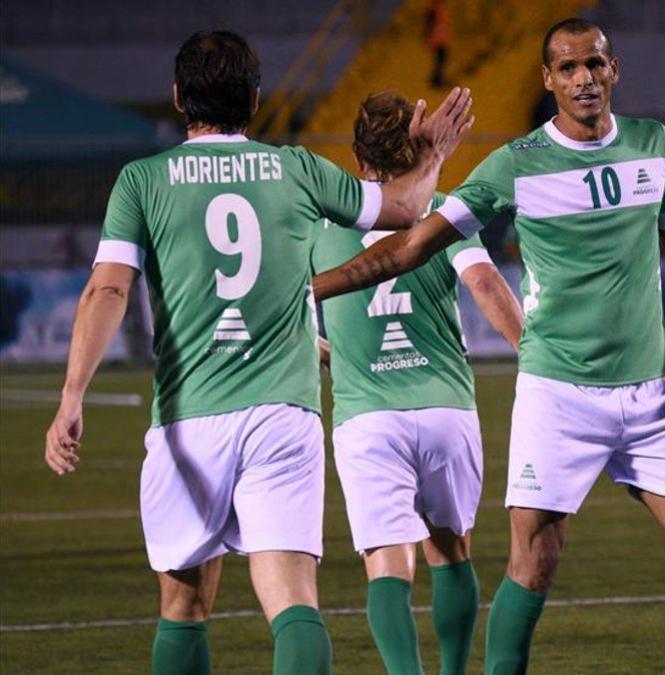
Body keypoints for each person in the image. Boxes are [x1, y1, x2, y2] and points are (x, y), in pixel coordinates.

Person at [310, 17, 665, 675]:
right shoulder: (515, 164)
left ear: (613, 69)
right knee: (533, 563)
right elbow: (413, 243)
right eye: (567, 68)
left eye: (593, 64)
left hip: (646, 394)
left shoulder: (653, 147)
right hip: (557, 396)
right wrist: (313, 287)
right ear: (548, 80)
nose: (583, 78)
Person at [42, 30, 473, 674]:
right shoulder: (295, 169)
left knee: (183, 607)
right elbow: (409, 208)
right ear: (255, 96)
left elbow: (108, 287)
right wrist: (433, 154)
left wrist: (72, 395)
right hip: (283, 415)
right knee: (295, 607)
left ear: (178, 97)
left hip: (189, 420)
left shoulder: (142, 181)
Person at [313, 91, 523, 675]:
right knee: (451, 553)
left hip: (366, 416)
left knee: (388, 565)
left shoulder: (322, 220)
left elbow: (284, 310)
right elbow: (483, 285)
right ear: (417, 146)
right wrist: (532, 354)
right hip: (444, 408)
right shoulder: (443, 209)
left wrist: (332, 353)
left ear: (357, 155)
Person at [425, 0, 451, 88]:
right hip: (437, 40)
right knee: (440, 59)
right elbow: (429, 24)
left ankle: (437, 79)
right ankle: (436, 80)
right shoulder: (435, 9)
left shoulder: (439, 8)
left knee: (441, 59)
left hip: (440, 39)